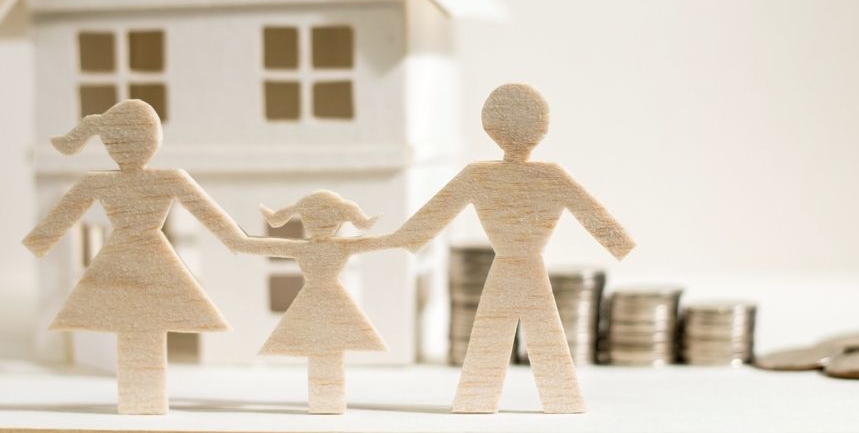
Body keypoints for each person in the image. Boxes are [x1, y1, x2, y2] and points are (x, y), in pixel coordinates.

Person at [392, 84, 636, 413]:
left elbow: (426, 222)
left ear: (489, 127)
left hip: (509, 269)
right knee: (538, 335)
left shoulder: (480, 175)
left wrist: (396, 241)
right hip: (522, 268)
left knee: (498, 336)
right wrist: (619, 245)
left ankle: (483, 400)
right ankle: (553, 400)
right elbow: (598, 220)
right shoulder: (548, 175)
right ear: (542, 129)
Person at [22, 100, 249, 415]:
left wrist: (243, 242)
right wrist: (242, 243)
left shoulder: (133, 180)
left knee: (140, 325)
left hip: (131, 261)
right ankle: (140, 401)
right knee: (135, 324)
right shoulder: (152, 180)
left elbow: (50, 229)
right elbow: (218, 222)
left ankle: (144, 400)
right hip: (137, 263)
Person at [236, 191, 401, 414]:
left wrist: (232, 238)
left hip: (321, 301)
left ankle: (327, 400)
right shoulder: (330, 247)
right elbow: (384, 241)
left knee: (326, 346)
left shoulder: (318, 247)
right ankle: (324, 400)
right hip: (324, 301)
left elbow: (253, 245)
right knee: (323, 346)